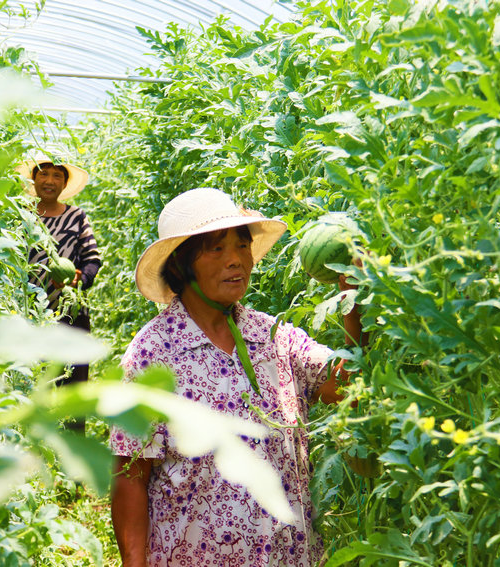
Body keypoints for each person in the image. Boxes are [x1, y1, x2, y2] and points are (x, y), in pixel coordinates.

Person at [109, 188, 362, 567]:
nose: (236, 260)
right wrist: (133, 562)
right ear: (181, 265)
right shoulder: (152, 354)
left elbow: (345, 390)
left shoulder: (274, 335)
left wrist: (352, 300)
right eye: (216, 249)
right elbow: (130, 475)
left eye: (242, 246)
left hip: (287, 556)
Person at [16, 154, 102, 386]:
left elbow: (92, 259)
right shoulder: (21, 215)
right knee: (34, 386)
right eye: (43, 174)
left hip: (71, 313)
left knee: (72, 388)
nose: (50, 181)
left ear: (64, 184)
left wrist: (79, 279)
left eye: (57, 176)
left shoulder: (76, 217)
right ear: (34, 179)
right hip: (30, 315)